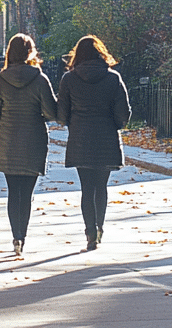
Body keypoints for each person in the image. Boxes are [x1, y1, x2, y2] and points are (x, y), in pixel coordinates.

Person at [56, 35, 131, 252]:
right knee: (102, 187)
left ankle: (89, 232)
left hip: (81, 138)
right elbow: (123, 114)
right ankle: (100, 228)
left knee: (87, 188)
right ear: (101, 52)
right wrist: (115, 124)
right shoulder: (113, 78)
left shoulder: (69, 80)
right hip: (106, 137)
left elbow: (61, 115)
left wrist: (73, 122)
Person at [0, 33, 58, 258]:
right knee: (26, 193)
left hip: (9, 140)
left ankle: (15, 235)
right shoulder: (40, 79)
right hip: (33, 140)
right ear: (31, 52)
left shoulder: (0, 79)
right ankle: (22, 236)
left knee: (13, 192)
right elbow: (50, 112)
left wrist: (4, 127)